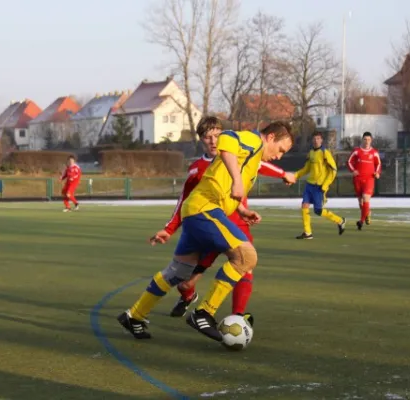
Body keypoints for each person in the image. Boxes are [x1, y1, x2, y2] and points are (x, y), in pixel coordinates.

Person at [118, 122, 294, 341]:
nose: (279, 156)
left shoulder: (251, 159)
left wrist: (241, 210)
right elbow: (227, 137)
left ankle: (134, 315)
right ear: (270, 138)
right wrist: (238, 181)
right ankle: (204, 312)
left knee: (178, 272)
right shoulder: (253, 141)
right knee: (247, 257)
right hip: (205, 210)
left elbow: (221, 184)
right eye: (280, 150)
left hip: (197, 210)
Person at [294, 132, 346, 239]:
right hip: (309, 185)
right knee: (304, 206)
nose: (316, 140)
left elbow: (333, 170)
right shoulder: (311, 153)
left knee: (318, 211)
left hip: (319, 186)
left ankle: (340, 220)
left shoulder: (325, 153)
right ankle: (308, 233)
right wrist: (295, 176)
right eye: (314, 138)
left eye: (318, 138)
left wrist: (325, 185)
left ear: (321, 140)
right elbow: (306, 169)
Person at [347, 132, 381, 229]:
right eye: (365, 139)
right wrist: (353, 170)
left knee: (366, 198)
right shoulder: (357, 151)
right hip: (358, 179)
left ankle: (361, 221)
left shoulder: (374, 152)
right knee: (361, 202)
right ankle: (367, 213)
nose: (367, 141)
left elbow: (378, 164)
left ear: (371, 140)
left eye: (369, 140)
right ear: (362, 140)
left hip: (369, 179)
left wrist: (377, 173)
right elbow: (349, 161)